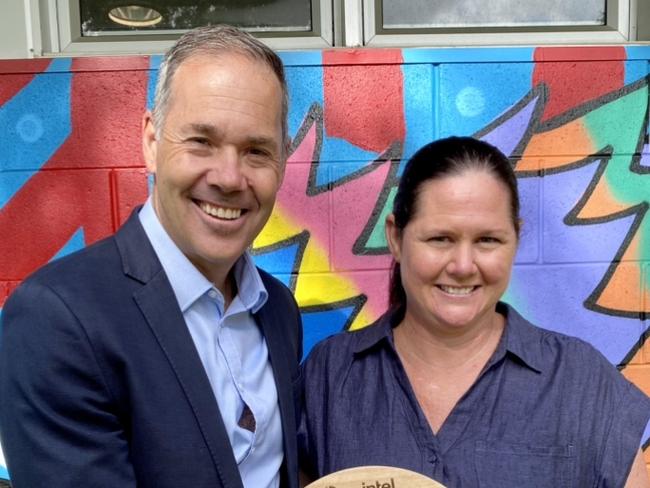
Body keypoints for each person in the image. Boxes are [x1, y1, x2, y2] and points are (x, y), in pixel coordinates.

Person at [0, 25, 303, 488]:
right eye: (201, 141)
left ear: (282, 160)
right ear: (151, 141)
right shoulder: (57, 318)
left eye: (256, 150)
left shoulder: (278, 309)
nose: (228, 177)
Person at [299, 136, 650, 487]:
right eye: (440, 239)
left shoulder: (582, 382)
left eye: (488, 240)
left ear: (516, 239)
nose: (463, 265)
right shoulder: (328, 377)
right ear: (395, 238)